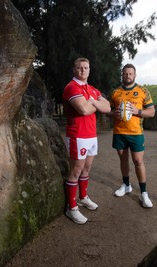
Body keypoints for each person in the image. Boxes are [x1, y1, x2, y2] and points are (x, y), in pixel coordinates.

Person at [62, 57, 110, 224]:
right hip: (78, 135)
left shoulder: (92, 89)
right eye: (79, 68)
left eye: (86, 67)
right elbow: (82, 110)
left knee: (87, 168)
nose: (83, 70)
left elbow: (108, 107)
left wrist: (92, 102)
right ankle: (72, 208)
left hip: (91, 135)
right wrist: (95, 103)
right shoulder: (71, 87)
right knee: (76, 170)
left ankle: (83, 197)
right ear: (74, 70)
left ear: (89, 69)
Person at [108, 63, 155, 208]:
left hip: (136, 133)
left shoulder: (142, 91)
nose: (127, 76)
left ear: (135, 75)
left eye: (130, 73)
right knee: (123, 160)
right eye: (125, 73)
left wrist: (138, 111)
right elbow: (108, 110)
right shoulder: (115, 92)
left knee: (138, 161)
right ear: (122, 75)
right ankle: (126, 185)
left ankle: (144, 193)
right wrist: (112, 113)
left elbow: (152, 112)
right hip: (119, 132)